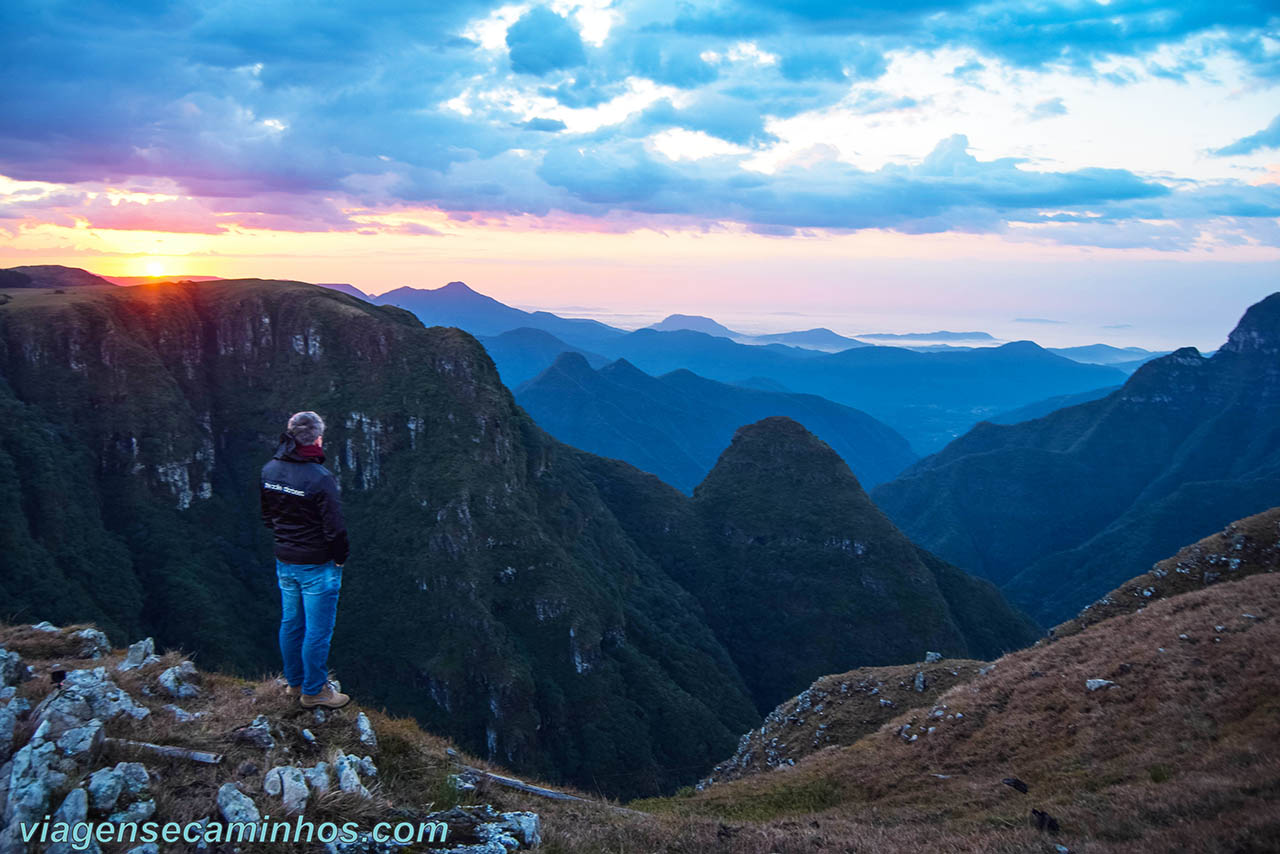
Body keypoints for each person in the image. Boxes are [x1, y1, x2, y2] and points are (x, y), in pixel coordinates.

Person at [260, 410, 351, 709]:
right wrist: (340, 558)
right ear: (318, 439)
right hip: (316, 564)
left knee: (291, 623)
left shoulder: (270, 470)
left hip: (284, 558)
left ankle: (294, 683)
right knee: (317, 630)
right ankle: (314, 691)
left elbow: (267, 518)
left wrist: (288, 537)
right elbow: (335, 528)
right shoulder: (320, 478)